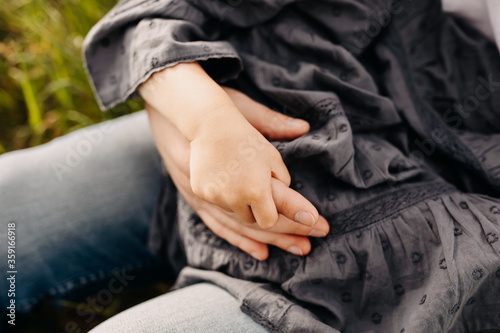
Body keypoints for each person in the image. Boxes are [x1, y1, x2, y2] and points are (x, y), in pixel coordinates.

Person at [2, 0, 500, 332]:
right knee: (10, 207)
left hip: (357, 284)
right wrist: (196, 114)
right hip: (229, 124)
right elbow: (153, 18)